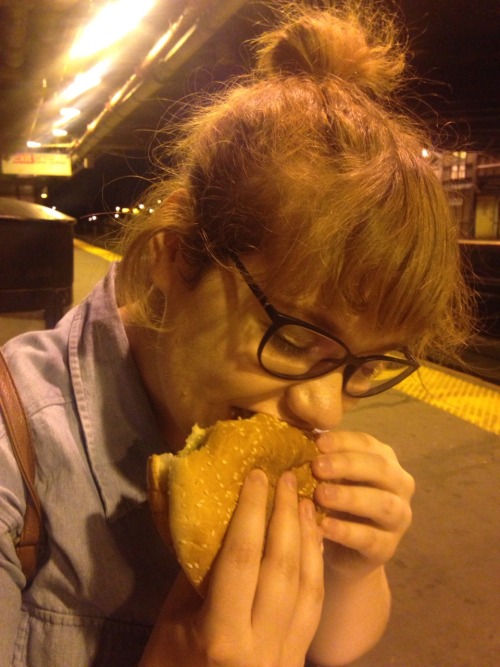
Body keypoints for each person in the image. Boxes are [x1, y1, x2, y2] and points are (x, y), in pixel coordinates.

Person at [0, 2, 472, 666]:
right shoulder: (14, 458)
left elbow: (333, 645)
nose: (327, 408)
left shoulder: (263, 440)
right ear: (173, 253)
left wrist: (353, 570)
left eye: (363, 366)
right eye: (296, 338)